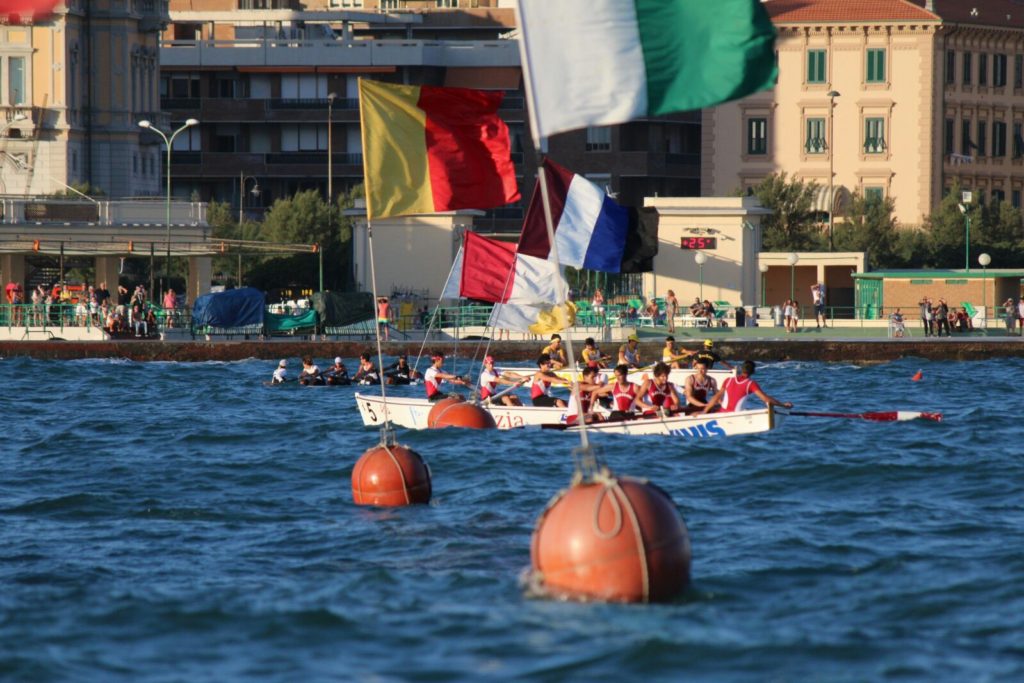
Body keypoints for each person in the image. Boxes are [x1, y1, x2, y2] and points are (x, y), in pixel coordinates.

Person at [703, 360, 792, 413]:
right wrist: (783, 405)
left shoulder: (728, 380)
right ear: (753, 372)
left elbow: (715, 397)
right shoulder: (750, 383)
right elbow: (766, 399)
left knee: (710, 409)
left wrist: (704, 412)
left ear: (741, 369)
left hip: (722, 413)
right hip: (736, 415)